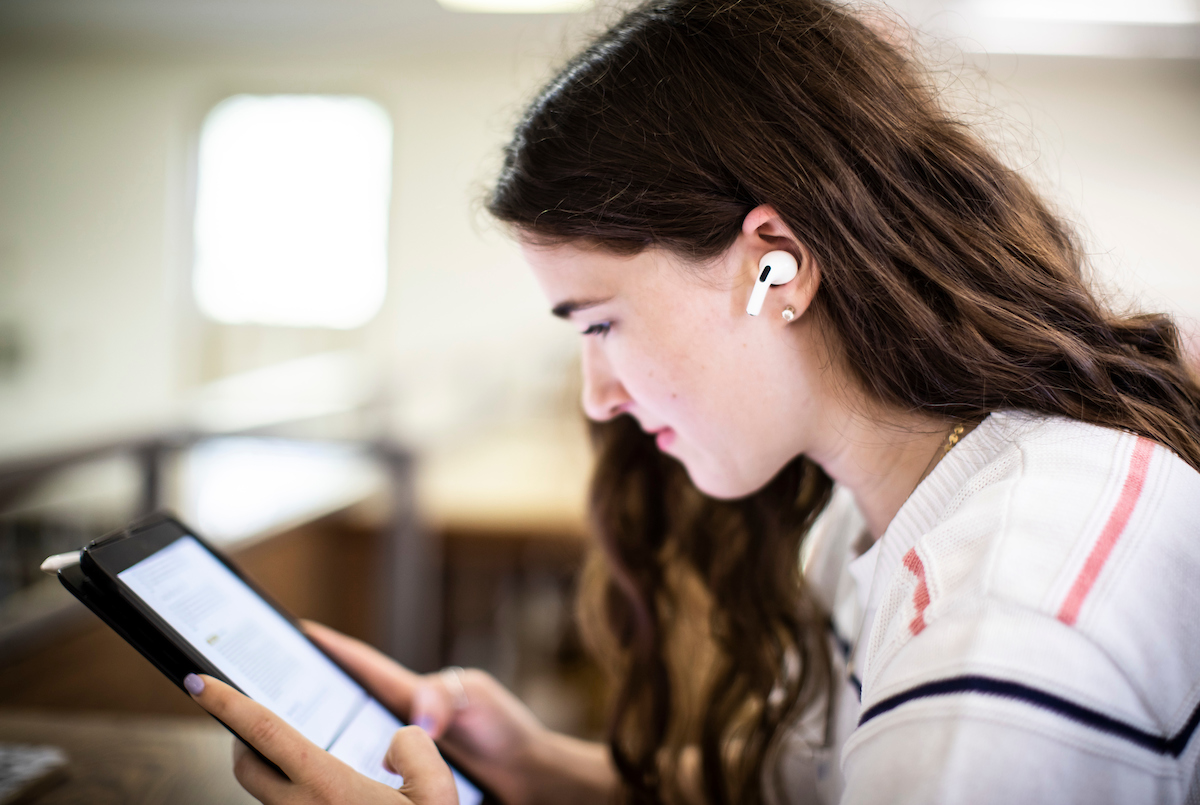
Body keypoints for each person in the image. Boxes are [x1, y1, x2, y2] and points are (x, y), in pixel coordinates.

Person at [185, 0, 1200, 801]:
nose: (598, 398)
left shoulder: (1002, 629)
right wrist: (539, 767)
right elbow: (809, 786)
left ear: (774, 264)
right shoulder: (883, 505)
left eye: (599, 323)